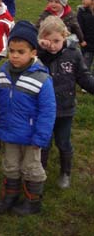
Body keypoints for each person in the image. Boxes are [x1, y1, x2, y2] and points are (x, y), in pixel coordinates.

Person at [0, 21, 56, 216]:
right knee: (10, 165)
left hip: (31, 135)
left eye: (21, 51)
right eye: (11, 51)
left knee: (31, 167)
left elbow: (48, 111)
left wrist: (41, 137)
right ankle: (11, 195)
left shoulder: (42, 78)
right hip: (8, 131)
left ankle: (33, 201)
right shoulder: (2, 72)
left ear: (33, 52)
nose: (15, 56)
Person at [37, 16, 94, 189]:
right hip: (42, 108)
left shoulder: (73, 53)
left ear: (65, 37)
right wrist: (41, 50)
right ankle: (40, 171)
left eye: (57, 40)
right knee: (43, 142)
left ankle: (65, 172)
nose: (53, 45)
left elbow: (83, 76)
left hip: (65, 108)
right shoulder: (38, 54)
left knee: (63, 141)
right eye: (48, 41)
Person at [77, 0, 94, 71]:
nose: (83, 0)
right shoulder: (81, 12)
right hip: (87, 46)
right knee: (85, 68)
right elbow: (78, 28)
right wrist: (81, 40)